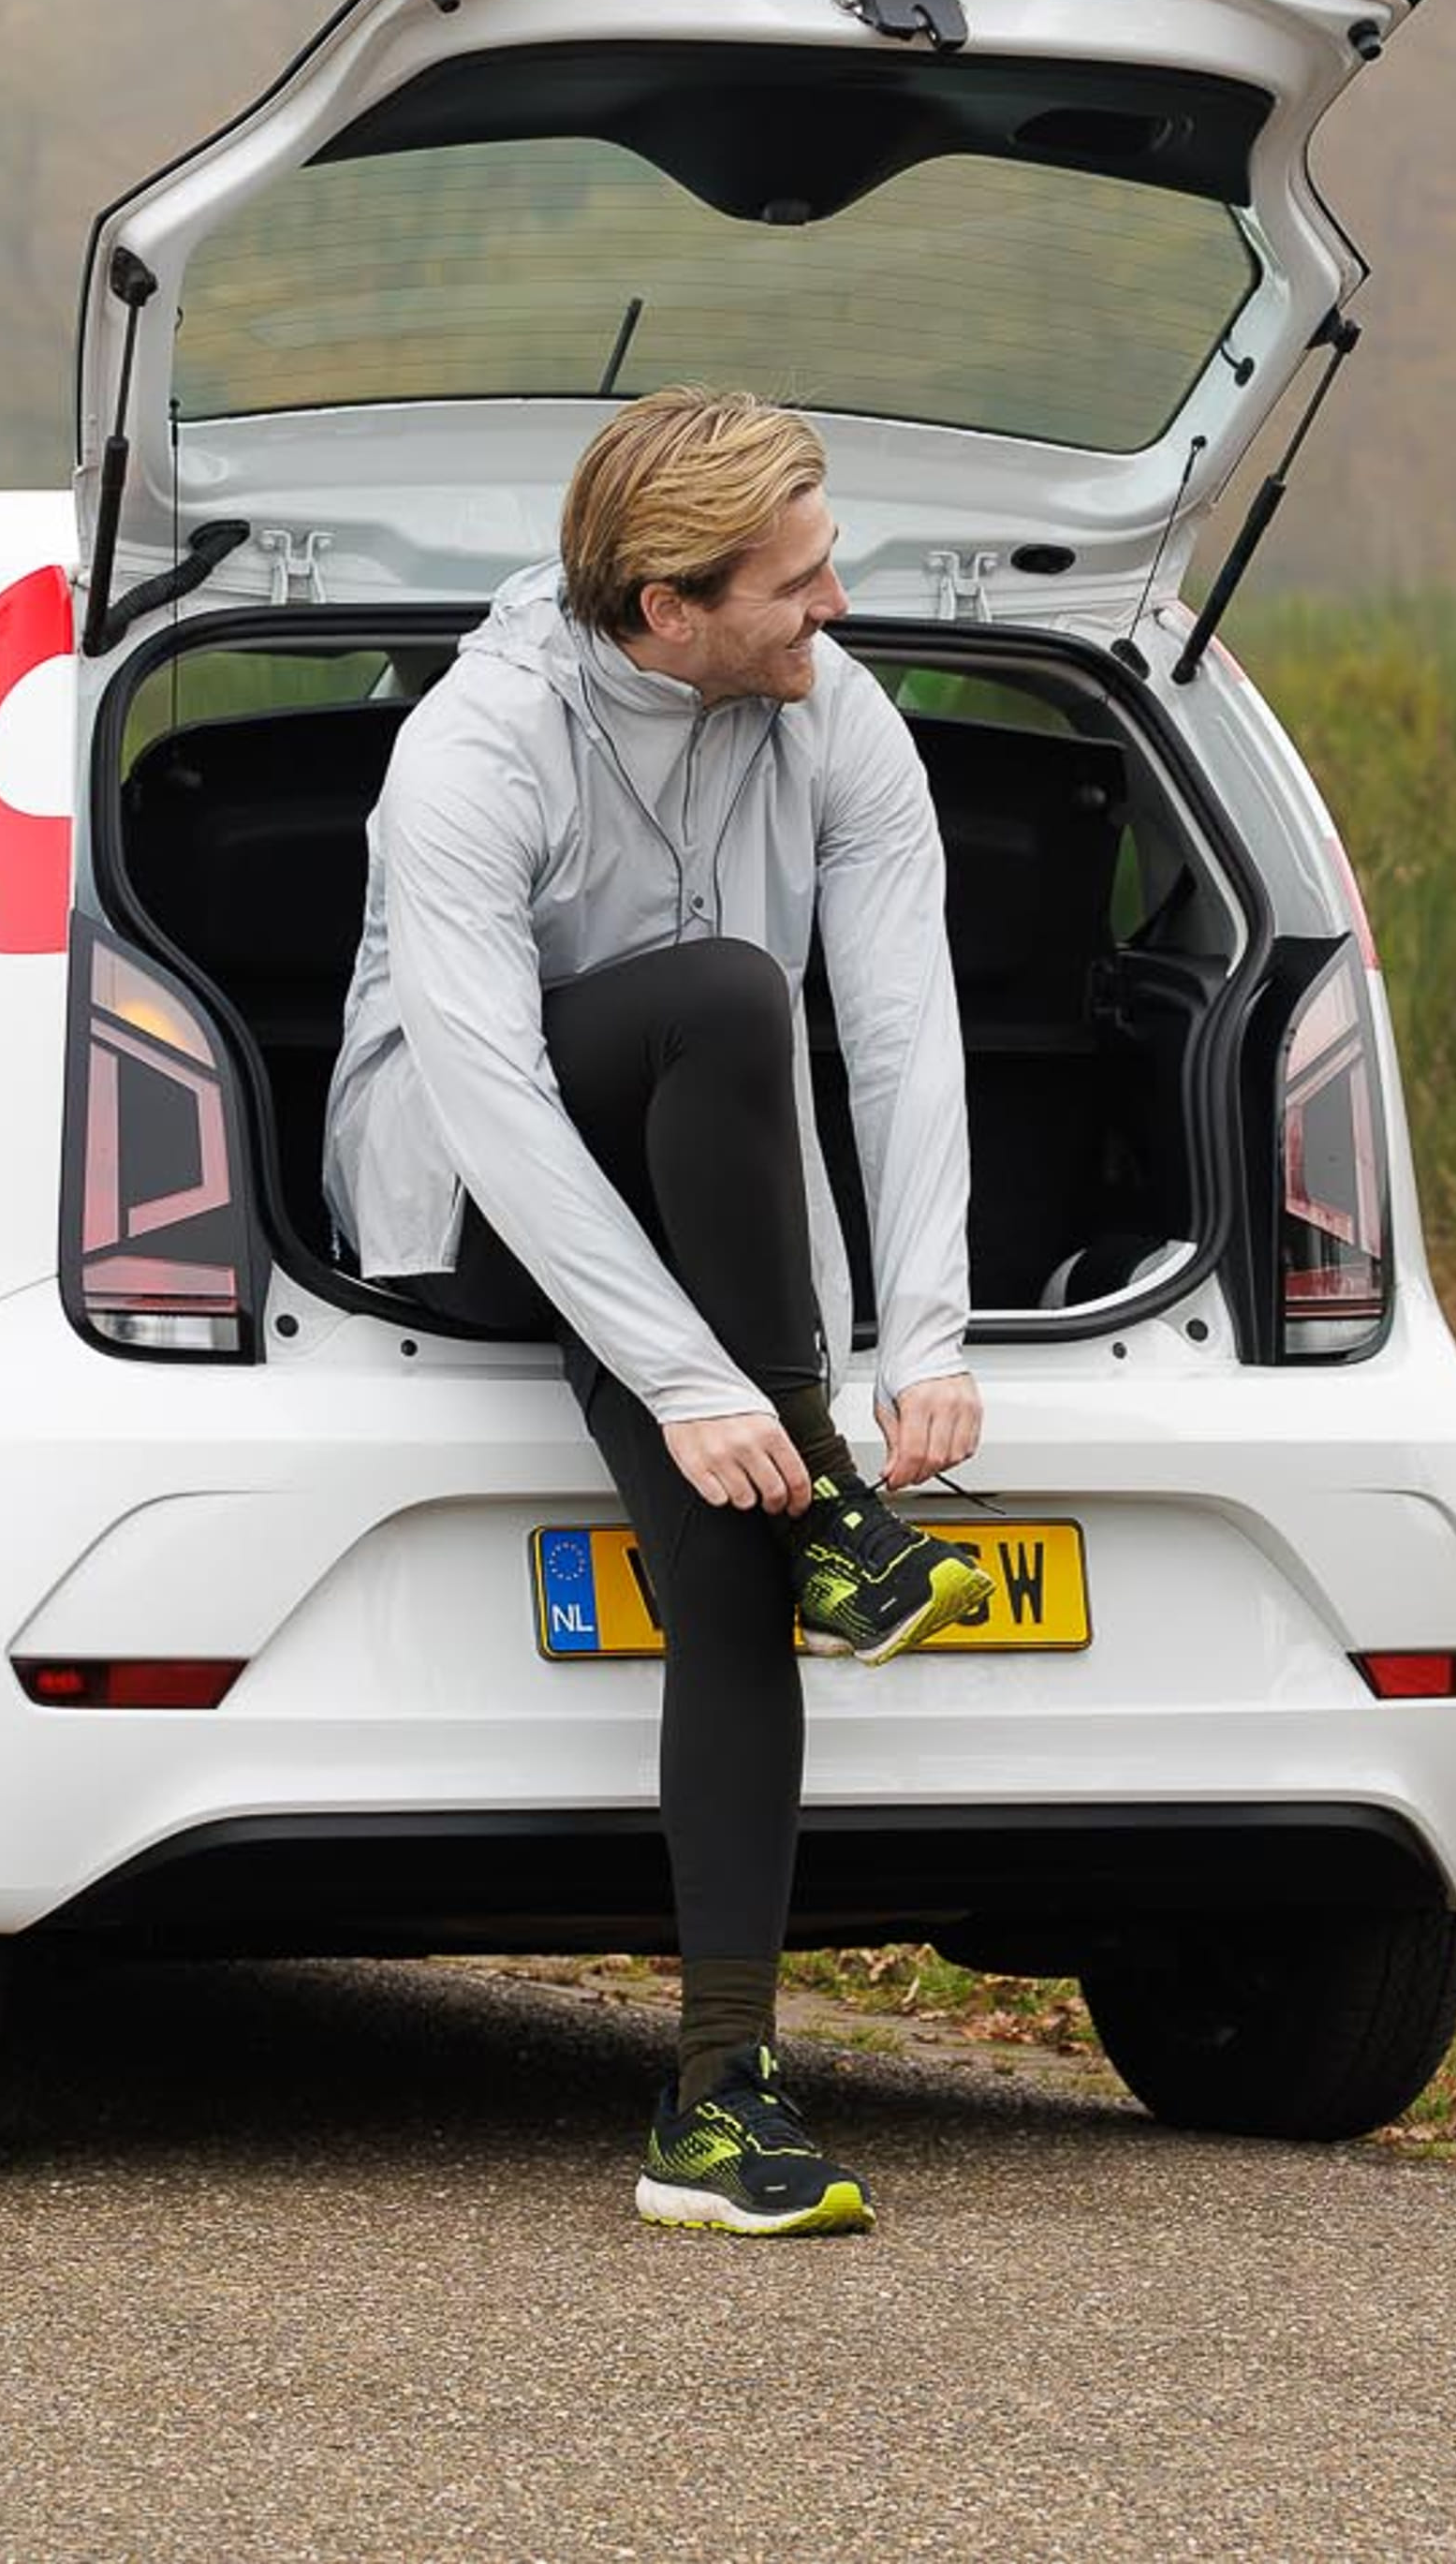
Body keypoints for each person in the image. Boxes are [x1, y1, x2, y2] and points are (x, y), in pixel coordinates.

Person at [325, 387, 991, 2237]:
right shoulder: (479, 747)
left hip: (702, 1206)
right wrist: (716, 1386)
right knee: (708, 989)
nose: (834, 606)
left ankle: (721, 2094)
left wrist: (925, 1328)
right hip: (461, 1186)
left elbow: (899, 1027)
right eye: (793, 581)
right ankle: (832, 1506)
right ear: (662, 605)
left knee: (730, 1569)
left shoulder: (832, 717)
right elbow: (489, 1101)